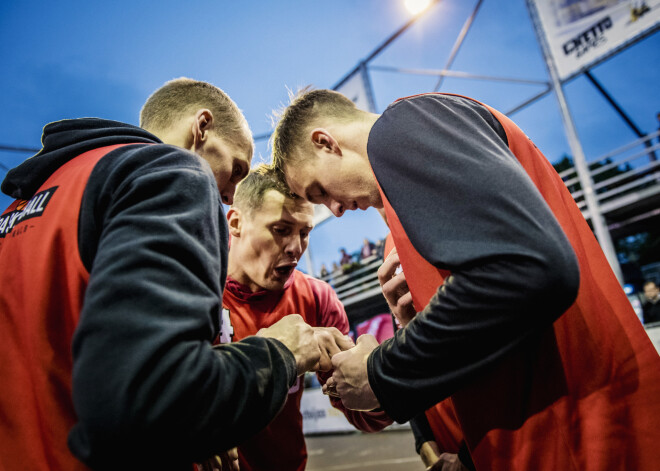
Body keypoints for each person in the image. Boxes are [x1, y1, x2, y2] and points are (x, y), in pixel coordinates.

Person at [270, 89, 660, 470]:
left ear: (325, 142)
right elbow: (507, 331)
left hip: (586, 436)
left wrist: (381, 371)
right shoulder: (414, 165)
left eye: (320, 191)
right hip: (564, 430)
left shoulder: (399, 128)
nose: (335, 210)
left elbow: (528, 269)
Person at [0, 77, 323, 471]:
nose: (231, 195)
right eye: (236, 169)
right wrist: (280, 353)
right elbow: (153, 397)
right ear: (201, 127)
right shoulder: (172, 173)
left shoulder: (23, 206)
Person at [218, 166, 392, 470]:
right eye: (281, 230)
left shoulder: (317, 298)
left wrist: (374, 381)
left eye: (304, 232)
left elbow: (365, 417)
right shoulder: (194, 289)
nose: (295, 248)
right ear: (236, 223)